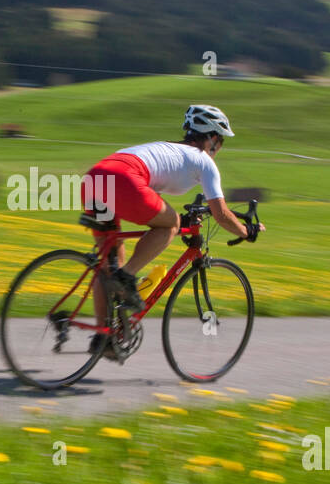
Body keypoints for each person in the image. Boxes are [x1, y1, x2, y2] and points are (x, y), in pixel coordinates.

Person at [81, 104, 264, 353]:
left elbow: (147, 198)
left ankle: (104, 337)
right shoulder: (203, 160)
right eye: (220, 142)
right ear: (212, 139)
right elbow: (221, 215)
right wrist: (246, 232)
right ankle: (126, 280)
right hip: (125, 180)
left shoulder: (167, 148)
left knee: (109, 265)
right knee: (170, 226)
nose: (219, 148)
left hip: (95, 178)